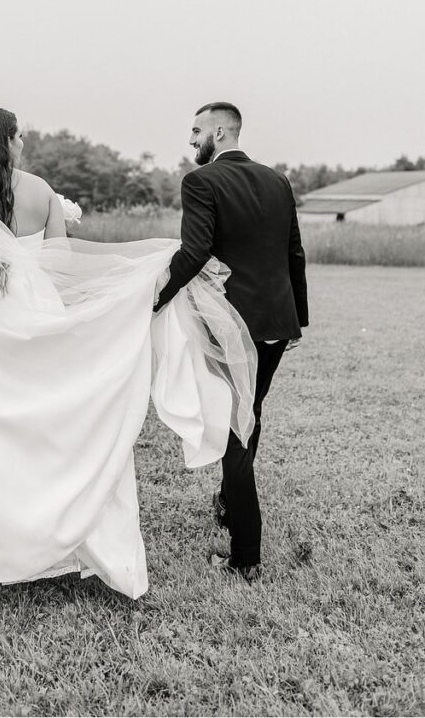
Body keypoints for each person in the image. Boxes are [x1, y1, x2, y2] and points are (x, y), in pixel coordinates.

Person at [0, 107, 257, 599]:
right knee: (47, 419)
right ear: (4, 144)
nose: (24, 143)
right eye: (18, 136)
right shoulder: (40, 190)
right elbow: (62, 264)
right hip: (32, 309)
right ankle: (57, 530)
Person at [154, 101, 308, 583]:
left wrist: (155, 300)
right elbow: (294, 252)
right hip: (276, 324)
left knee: (234, 431)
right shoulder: (278, 180)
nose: (192, 139)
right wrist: (297, 318)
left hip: (231, 324)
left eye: (196, 130)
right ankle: (227, 502)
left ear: (220, 131)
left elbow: (195, 250)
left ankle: (246, 556)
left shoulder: (200, 182)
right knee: (249, 412)